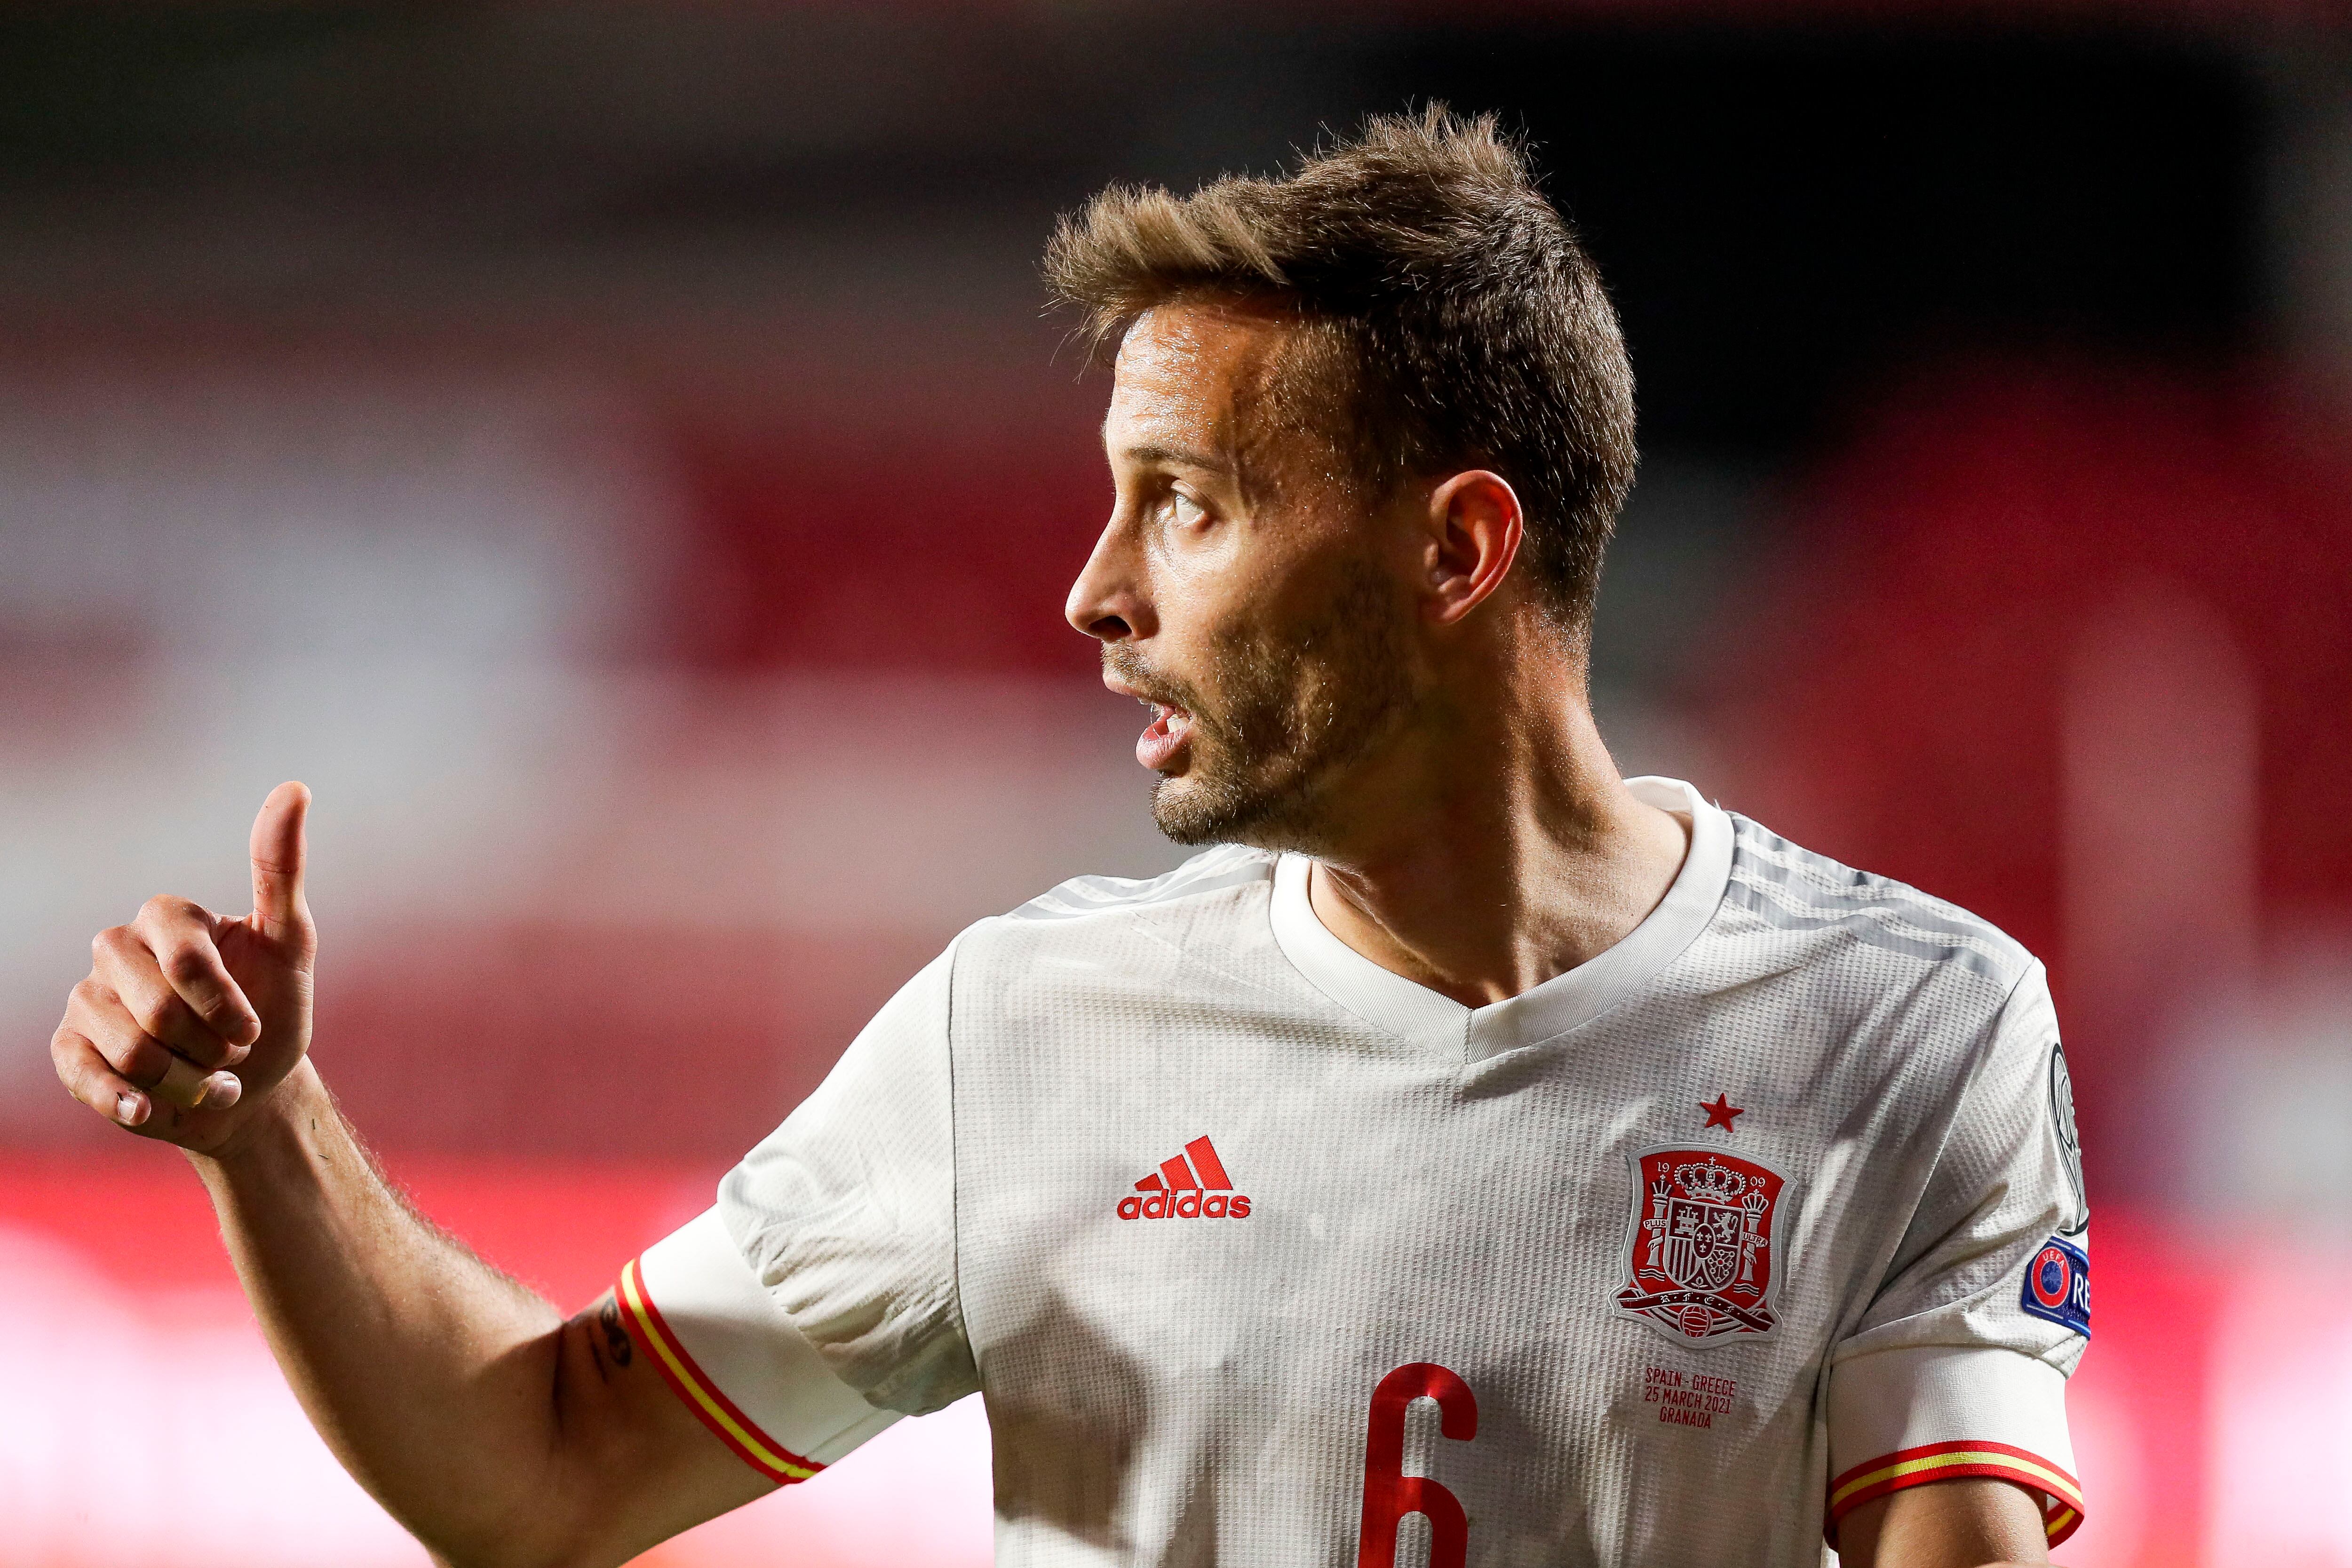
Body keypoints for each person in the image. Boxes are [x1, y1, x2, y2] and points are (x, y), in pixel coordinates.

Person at [50, 109, 2089, 1568]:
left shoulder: (1902, 1028)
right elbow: (540, 1479)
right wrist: (269, 1127)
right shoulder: (1029, 1029)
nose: (1093, 591)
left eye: (1183, 503)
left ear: (1456, 547)